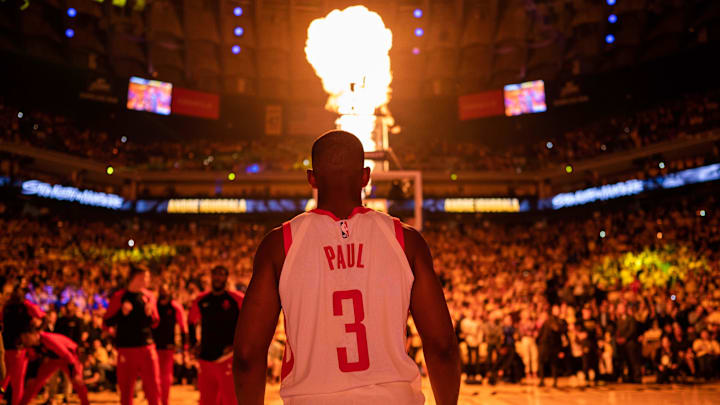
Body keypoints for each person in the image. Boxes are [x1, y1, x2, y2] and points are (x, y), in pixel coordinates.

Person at [233, 130, 460, 405]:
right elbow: (442, 347)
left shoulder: (279, 244)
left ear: (312, 179)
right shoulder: (405, 240)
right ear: (366, 176)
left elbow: (247, 355)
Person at [103, 266, 161, 405]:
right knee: (126, 389)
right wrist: (121, 313)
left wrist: (150, 314)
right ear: (134, 277)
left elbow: (155, 323)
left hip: (146, 346)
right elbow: (107, 322)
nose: (147, 280)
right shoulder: (119, 296)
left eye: (147, 277)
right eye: (144, 277)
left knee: (154, 387)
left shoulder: (149, 296)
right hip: (126, 349)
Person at [189, 265, 243, 405]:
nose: (218, 277)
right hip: (206, 358)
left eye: (221, 274)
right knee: (206, 401)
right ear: (211, 277)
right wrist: (193, 343)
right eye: (215, 274)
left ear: (226, 277)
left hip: (227, 357)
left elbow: (250, 320)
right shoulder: (201, 300)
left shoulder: (236, 298)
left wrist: (237, 345)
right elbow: (190, 321)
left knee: (230, 400)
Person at [17, 328, 89, 405]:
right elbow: (34, 361)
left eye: (26, 337)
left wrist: (74, 373)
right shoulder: (32, 345)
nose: (25, 340)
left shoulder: (47, 339)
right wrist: (32, 376)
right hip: (53, 359)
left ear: (34, 335)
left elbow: (67, 355)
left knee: (77, 381)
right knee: (35, 382)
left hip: (70, 357)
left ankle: (85, 403)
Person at [1, 283, 45, 405]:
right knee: (18, 382)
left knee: (5, 379)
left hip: (6, 347)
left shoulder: (6, 308)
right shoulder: (25, 307)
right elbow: (40, 314)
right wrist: (28, 303)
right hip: (19, 348)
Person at [153, 283, 188, 405]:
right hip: (153, 346)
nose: (163, 293)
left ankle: (164, 401)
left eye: (165, 290)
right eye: (161, 290)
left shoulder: (174, 307)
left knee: (166, 377)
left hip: (168, 347)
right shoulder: (154, 305)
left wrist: (184, 348)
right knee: (154, 377)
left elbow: (183, 326)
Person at [537, 306, 566, 387]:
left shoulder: (559, 321)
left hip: (553, 345)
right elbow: (540, 334)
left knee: (553, 363)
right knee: (542, 362)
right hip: (544, 344)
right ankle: (542, 380)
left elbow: (558, 330)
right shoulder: (548, 321)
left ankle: (554, 381)